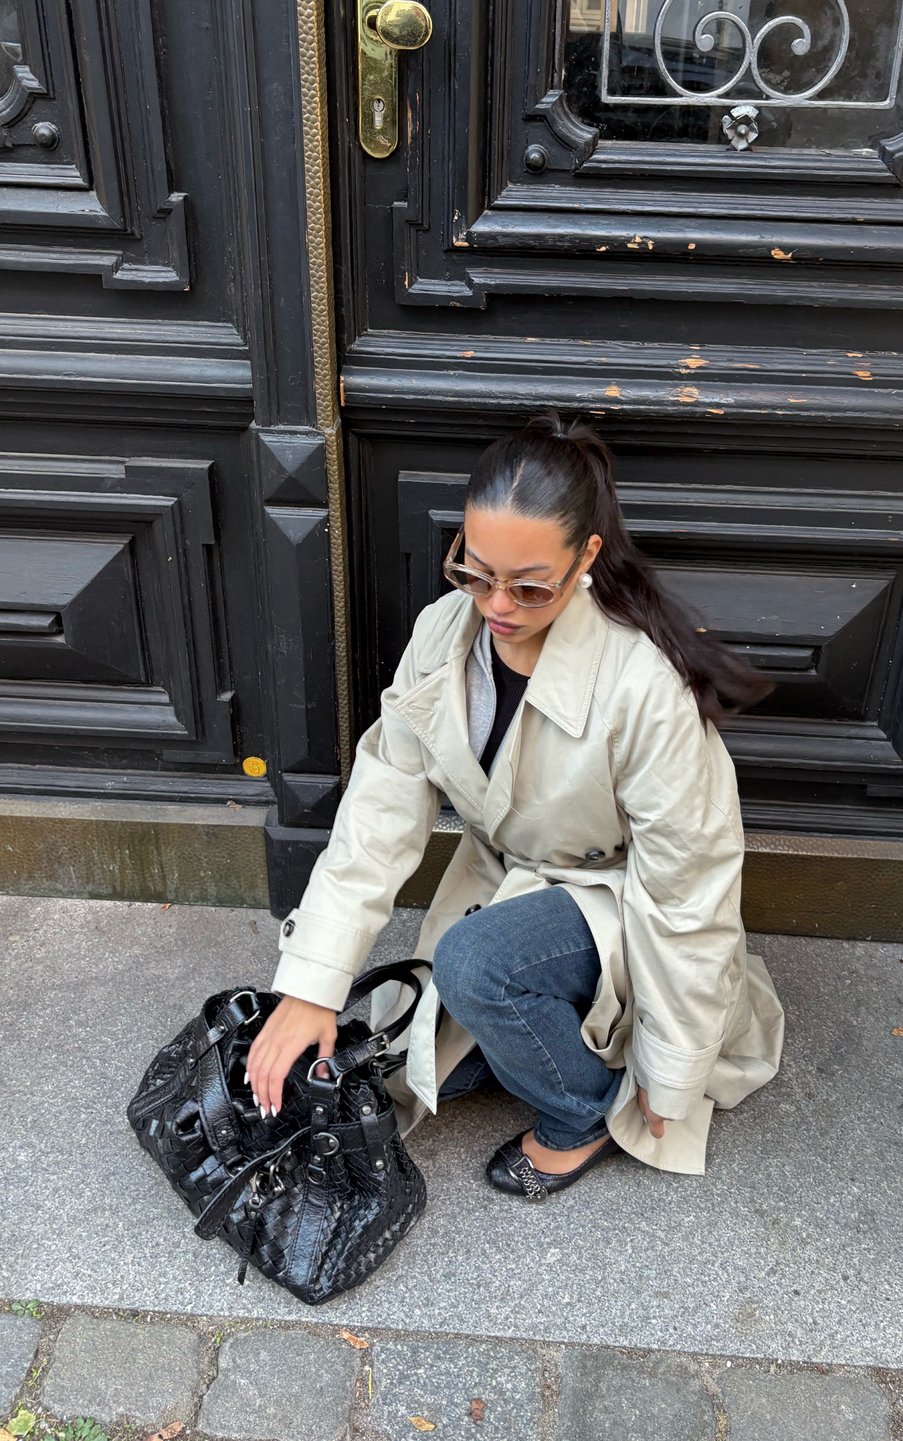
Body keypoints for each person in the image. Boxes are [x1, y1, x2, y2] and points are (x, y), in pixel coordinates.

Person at [246, 410, 785, 1200]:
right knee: (413, 1068)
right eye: (474, 570)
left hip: (617, 906)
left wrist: (668, 1074)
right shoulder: (442, 635)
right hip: (506, 889)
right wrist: (311, 984)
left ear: (587, 556)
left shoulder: (643, 687)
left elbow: (688, 895)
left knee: (474, 968)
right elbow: (378, 814)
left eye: (530, 585)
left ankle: (582, 1113)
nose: (496, 604)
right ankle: (514, 1027)